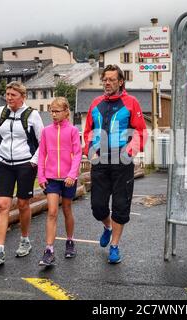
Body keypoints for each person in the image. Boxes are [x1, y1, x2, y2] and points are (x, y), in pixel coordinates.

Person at [83, 64, 147, 264]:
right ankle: (107, 227)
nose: (107, 83)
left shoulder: (131, 102)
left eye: (111, 79)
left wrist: (129, 152)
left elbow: (140, 131)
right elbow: (87, 132)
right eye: (105, 79)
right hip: (100, 160)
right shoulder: (95, 103)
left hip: (122, 161)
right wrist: (90, 152)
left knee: (120, 206)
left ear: (120, 82)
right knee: (98, 207)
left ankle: (115, 246)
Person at [0, 81, 44, 265]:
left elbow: (43, 142)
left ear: (22, 97)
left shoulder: (32, 115)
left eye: (13, 95)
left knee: (22, 204)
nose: (9, 98)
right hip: (3, 163)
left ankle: (25, 240)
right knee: (3, 205)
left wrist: (33, 161)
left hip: (25, 164)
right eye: (7, 94)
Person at [37, 97, 82, 266]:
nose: (53, 114)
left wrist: (72, 175)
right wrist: (40, 176)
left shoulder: (72, 131)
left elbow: (77, 154)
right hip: (51, 179)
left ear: (65, 112)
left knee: (67, 209)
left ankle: (70, 241)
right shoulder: (46, 131)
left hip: (68, 179)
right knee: (52, 212)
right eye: (51, 111)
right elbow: (42, 154)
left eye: (57, 111)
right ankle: (49, 250)